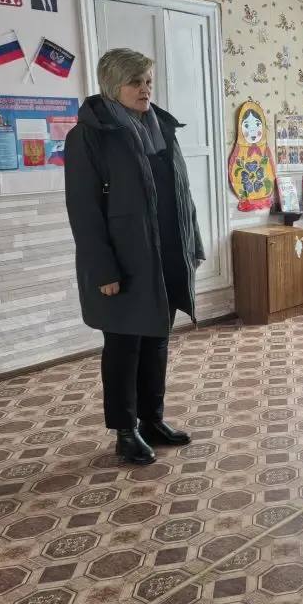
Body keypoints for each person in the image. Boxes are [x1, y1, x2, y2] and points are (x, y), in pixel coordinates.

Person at [64, 48, 204, 465]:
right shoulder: (89, 136)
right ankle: (125, 431)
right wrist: (103, 269)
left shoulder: (161, 126)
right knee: (124, 347)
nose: (145, 89)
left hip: (166, 254)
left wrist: (193, 243)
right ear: (113, 86)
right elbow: (84, 211)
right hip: (125, 262)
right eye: (135, 82)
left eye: (147, 81)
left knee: (157, 340)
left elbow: (183, 194)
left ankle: (152, 420)